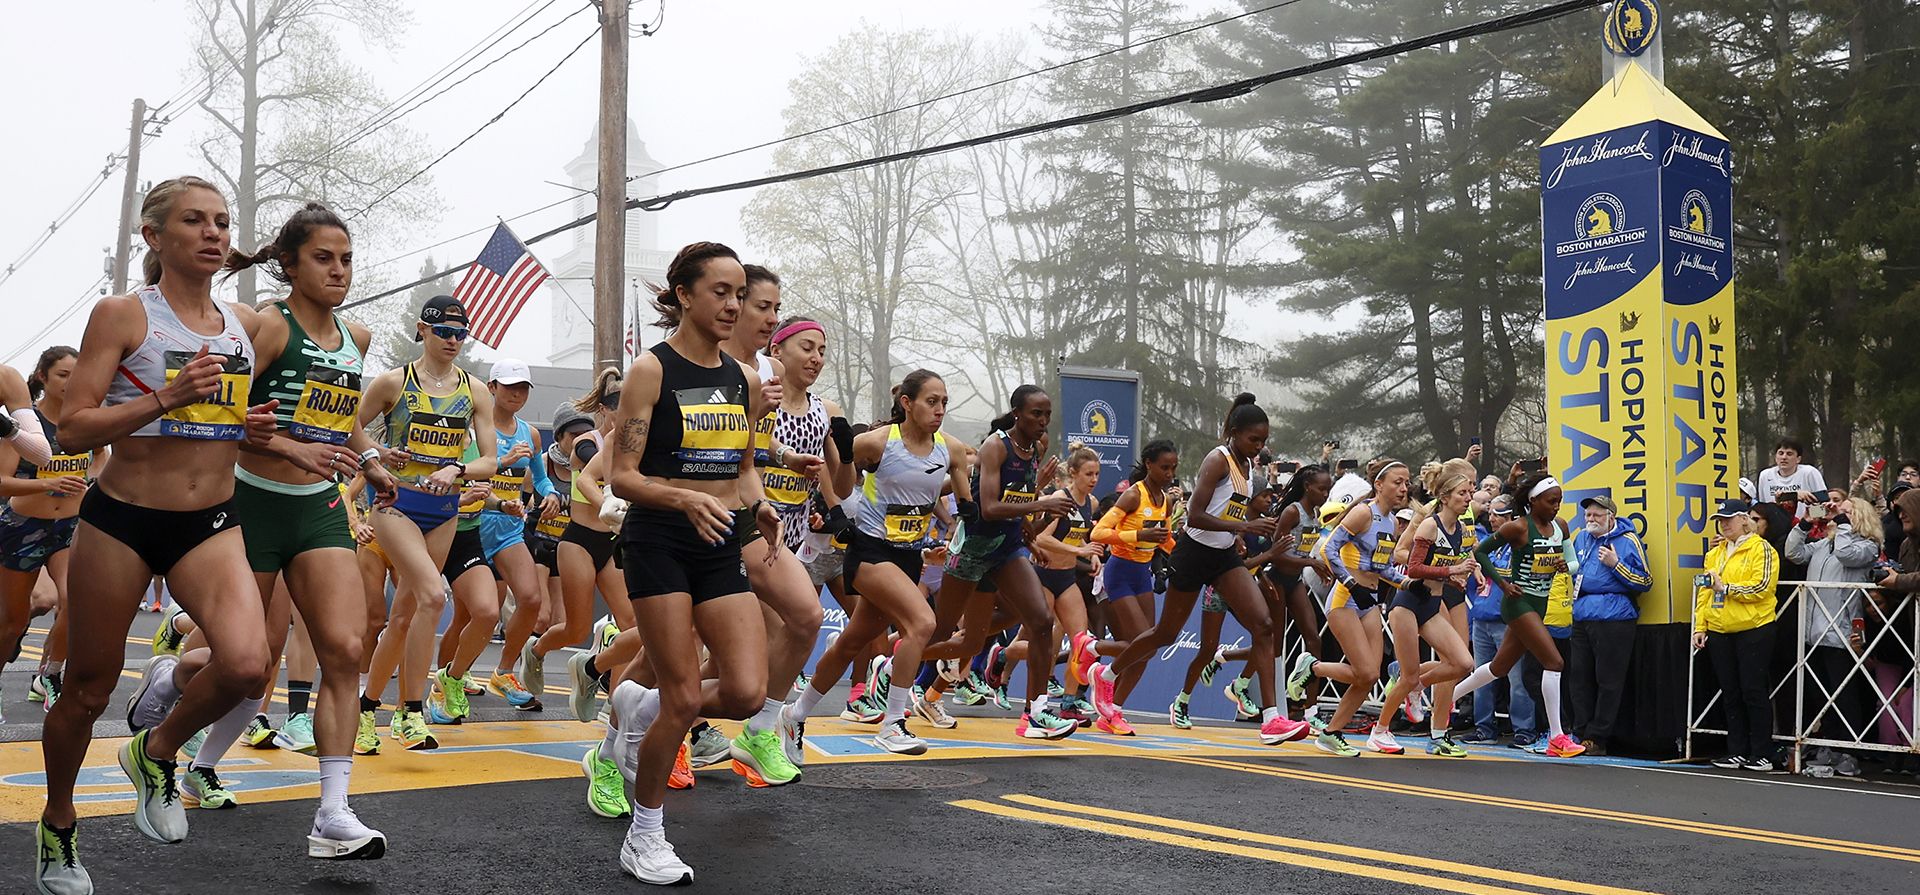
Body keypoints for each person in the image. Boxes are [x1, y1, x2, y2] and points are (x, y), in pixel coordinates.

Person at [36, 176, 278, 894]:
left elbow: (215, 427)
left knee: (245, 664)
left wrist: (254, 430)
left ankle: (156, 750)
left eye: (222, 222)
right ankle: (57, 825)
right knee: (85, 687)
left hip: (209, 522)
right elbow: (73, 427)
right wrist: (165, 395)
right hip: (123, 521)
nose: (213, 233)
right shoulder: (122, 316)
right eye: (195, 221)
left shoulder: (241, 324)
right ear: (154, 236)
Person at [193, 203, 398, 857]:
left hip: (318, 505)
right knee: (245, 665)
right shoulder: (265, 328)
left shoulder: (356, 338)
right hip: (251, 503)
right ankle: (169, 698)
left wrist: (365, 456)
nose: (338, 271)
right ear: (289, 262)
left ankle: (333, 813)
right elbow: (219, 413)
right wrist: (283, 446)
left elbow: (342, 418)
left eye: (345, 259)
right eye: (323, 258)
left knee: (344, 648)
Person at [602, 241, 785, 885]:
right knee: (682, 696)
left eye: (741, 294)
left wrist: (757, 505)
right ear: (685, 295)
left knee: (744, 691)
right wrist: (681, 496)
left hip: (720, 541)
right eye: (722, 293)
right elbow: (622, 477)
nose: (734, 305)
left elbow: (739, 465)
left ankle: (636, 707)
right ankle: (644, 834)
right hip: (657, 542)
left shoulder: (743, 379)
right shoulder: (651, 371)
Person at [1076, 395, 1311, 746]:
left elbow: (1228, 510)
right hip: (1194, 552)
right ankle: (1106, 675)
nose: (1260, 447)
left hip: (1224, 555)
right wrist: (1244, 528)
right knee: (1164, 633)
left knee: (1263, 626)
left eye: (1263, 441)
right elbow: (1196, 516)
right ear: (1234, 433)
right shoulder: (1218, 460)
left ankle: (1272, 719)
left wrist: (1242, 531)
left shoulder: (1248, 467)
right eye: (1253, 440)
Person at [355, 295, 499, 750]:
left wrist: (457, 469)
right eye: (445, 332)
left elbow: (491, 459)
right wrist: (376, 456)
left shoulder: (475, 390)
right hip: (395, 503)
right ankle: (412, 712)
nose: (454, 341)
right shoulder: (393, 382)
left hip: (443, 511)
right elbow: (349, 427)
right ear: (423, 330)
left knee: (405, 615)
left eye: (462, 333)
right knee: (434, 597)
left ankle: (367, 709)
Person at [916, 384, 1078, 740]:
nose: (1043, 421)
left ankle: (1036, 713)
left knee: (1039, 621)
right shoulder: (995, 446)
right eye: (1037, 413)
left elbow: (1019, 496)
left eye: (1048, 414)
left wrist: (1031, 537)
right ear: (1017, 412)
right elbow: (989, 508)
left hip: (1006, 550)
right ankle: (896, 660)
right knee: (949, 634)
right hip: (973, 548)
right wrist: (1042, 504)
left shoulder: (1036, 448)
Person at [717, 273, 829, 784]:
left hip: (746, 523)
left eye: (774, 308)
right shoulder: (678, 366)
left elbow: (746, 453)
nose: (769, 317)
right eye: (761, 305)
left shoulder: (766, 375)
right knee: (676, 659)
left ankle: (760, 731)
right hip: (685, 523)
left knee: (805, 617)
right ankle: (615, 740)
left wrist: (780, 464)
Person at [1455, 472, 1587, 758]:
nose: (1556, 507)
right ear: (1533, 500)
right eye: (1551, 501)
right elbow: (1480, 552)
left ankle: (1446, 700)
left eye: (1560, 501)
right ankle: (1557, 736)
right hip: (1518, 604)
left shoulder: (1561, 527)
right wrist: (1503, 584)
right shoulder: (1518, 528)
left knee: (1498, 668)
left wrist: (1567, 567)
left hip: (1540, 604)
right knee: (1554, 662)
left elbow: (1573, 561)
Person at [1286, 459, 1411, 756]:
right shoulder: (1361, 513)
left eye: (1407, 482)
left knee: (1369, 675)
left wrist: (1407, 584)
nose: (1404, 488)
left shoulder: (1392, 523)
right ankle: (1311, 667)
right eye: (1397, 482)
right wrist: (1349, 582)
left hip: (1368, 601)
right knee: (1365, 670)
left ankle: (1330, 732)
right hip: (1345, 598)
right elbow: (1329, 549)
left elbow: (1381, 568)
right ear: (1378, 485)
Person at [1, 347, 93, 719]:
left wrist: (92, 482)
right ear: (43, 377)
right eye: (62, 376)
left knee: (75, 599)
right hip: (22, 528)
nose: (70, 383)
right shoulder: (26, 426)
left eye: (77, 374)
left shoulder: (84, 421)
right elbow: (2, 484)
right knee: (12, 622)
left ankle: (49, 673)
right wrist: (47, 484)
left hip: (68, 528)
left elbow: (100, 456)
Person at [1374, 464, 1480, 757]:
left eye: (1472, 488)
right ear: (1446, 493)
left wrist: (1469, 571)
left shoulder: (1460, 523)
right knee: (1415, 673)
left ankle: (1425, 708)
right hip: (1413, 600)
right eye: (1465, 489)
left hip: (1439, 599)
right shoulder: (1429, 520)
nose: (1471, 494)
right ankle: (1383, 728)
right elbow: (1409, 561)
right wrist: (1450, 570)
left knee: (1461, 663)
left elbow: (1461, 552)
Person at [1076, 441, 1179, 733]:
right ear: (1148, 464)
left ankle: (1113, 712)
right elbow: (1098, 532)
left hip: (1142, 573)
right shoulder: (1134, 495)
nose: (1170, 474)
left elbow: (1166, 539)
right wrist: (1138, 534)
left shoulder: (1167, 501)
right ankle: (1091, 648)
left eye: (1173, 468)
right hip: (1120, 572)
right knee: (1139, 642)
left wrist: (1183, 556)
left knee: (1149, 648)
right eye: (1164, 467)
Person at [476, 358, 557, 710]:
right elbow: (468, 475)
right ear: (492, 388)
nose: (517, 394)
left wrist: (550, 492)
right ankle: (450, 676)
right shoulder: (476, 428)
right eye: (509, 387)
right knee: (478, 612)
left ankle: (504, 671)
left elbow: (539, 476)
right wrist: (505, 462)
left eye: (523, 387)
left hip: (509, 529)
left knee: (531, 598)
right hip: (474, 525)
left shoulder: (530, 433)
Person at [1786, 492, 1882, 772]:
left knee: (1844, 694)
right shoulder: (1823, 546)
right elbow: (1793, 553)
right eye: (1840, 512)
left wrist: (1841, 525)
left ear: (1860, 518)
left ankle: (1849, 749)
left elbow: (1847, 554)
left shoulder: (1868, 546)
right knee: (1820, 693)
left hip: (1842, 631)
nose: (1839, 516)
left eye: (1847, 512)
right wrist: (1805, 524)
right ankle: (1827, 744)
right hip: (1814, 632)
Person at [1693, 499, 1781, 771]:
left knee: (1753, 690)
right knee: (1730, 691)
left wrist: (1727, 588)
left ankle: (1761, 752)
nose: (1724, 524)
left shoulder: (1762, 549)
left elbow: (1763, 588)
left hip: (1754, 628)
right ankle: (1737, 750)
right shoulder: (1715, 553)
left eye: (1729, 519)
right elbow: (1705, 591)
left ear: (1745, 519)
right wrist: (1700, 625)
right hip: (1721, 629)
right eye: (1720, 519)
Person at [1567, 495, 1651, 756]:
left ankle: (1597, 737)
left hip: (1614, 618)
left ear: (1611, 518)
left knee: (1608, 680)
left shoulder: (1627, 541)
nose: (1591, 520)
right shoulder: (1581, 538)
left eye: (1597, 516)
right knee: (1579, 678)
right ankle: (1579, 731)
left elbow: (1646, 580)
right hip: (1582, 616)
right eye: (1588, 515)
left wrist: (1616, 565)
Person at [1756, 439, 1826, 519]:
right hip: (1776, 527)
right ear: (1775, 457)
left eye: (1789, 454)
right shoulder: (1765, 475)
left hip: (1805, 526)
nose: (1784, 457)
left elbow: (1824, 507)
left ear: (1798, 459)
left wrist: (1808, 518)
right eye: (1781, 453)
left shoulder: (1810, 473)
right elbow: (1763, 509)